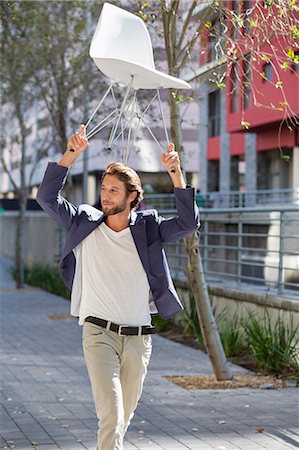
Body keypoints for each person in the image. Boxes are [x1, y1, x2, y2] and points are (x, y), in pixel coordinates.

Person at [36, 124, 199, 450]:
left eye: (113, 190)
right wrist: (70, 155)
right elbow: (46, 198)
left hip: (139, 340)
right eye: (104, 188)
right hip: (98, 335)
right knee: (111, 414)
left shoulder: (149, 228)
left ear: (133, 198)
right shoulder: (83, 221)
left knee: (121, 419)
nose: (104, 195)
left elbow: (188, 223)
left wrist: (176, 175)